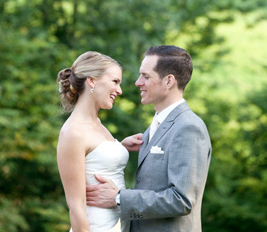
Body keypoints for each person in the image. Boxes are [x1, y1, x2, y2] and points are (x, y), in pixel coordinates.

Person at [86, 45, 211, 232]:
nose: (138, 82)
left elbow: (182, 200)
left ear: (168, 81)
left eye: (146, 76)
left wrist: (119, 197)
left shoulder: (188, 127)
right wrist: (118, 148)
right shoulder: (156, 126)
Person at [57, 51, 128, 232]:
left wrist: (123, 146)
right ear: (92, 80)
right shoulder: (74, 132)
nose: (119, 90)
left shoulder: (97, 124)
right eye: (115, 82)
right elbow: (76, 207)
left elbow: (97, 158)